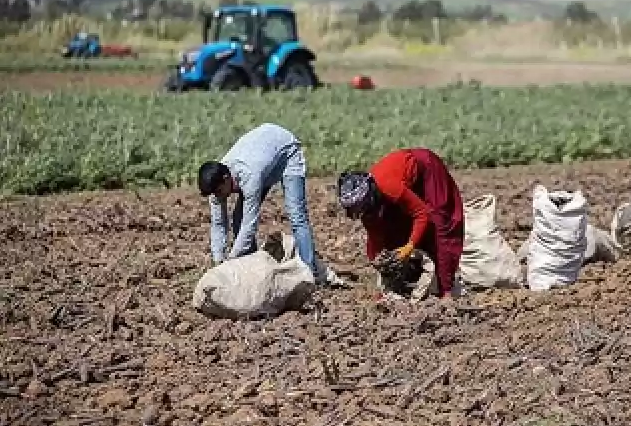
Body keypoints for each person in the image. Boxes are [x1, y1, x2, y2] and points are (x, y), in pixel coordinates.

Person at [337, 148, 464, 298]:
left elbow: (421, 214)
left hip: (428, 171)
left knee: (439, 222)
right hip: (406, 185)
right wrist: (379, 266)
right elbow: (376, 238)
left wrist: (410, 246)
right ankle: (413, 281)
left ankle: (446, 289)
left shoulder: (389, 186)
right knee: (396, 228)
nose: (361, 213)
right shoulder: (367, 209)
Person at [197, 123, 318, 278]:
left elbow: (249, 225)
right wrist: (218, 262)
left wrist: (231, 259)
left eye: (219, 192)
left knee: (296, 215)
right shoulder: (216, 188)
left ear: (226, 179)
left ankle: (310, 273)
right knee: (238, 218)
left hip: (286, 152)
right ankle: (255, 269)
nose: (218, 196)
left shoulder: (250, 176)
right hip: (263, 157)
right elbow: (218, 223)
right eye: (214, 194)